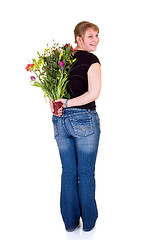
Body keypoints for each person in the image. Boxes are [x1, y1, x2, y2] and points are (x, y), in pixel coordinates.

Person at [49, 21, 102, 232]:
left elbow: (53, 95)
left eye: (97, 35)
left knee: (69, 172)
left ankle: (70, 224)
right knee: (86, 173)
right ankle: (89, 223)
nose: (95, 39)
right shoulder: (92, 60)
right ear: (78, 39)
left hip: (60, 122)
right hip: (84, 120)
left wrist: (59, 106)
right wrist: (69, 103)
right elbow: (93, 93)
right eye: (90, 36)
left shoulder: (59, 60)